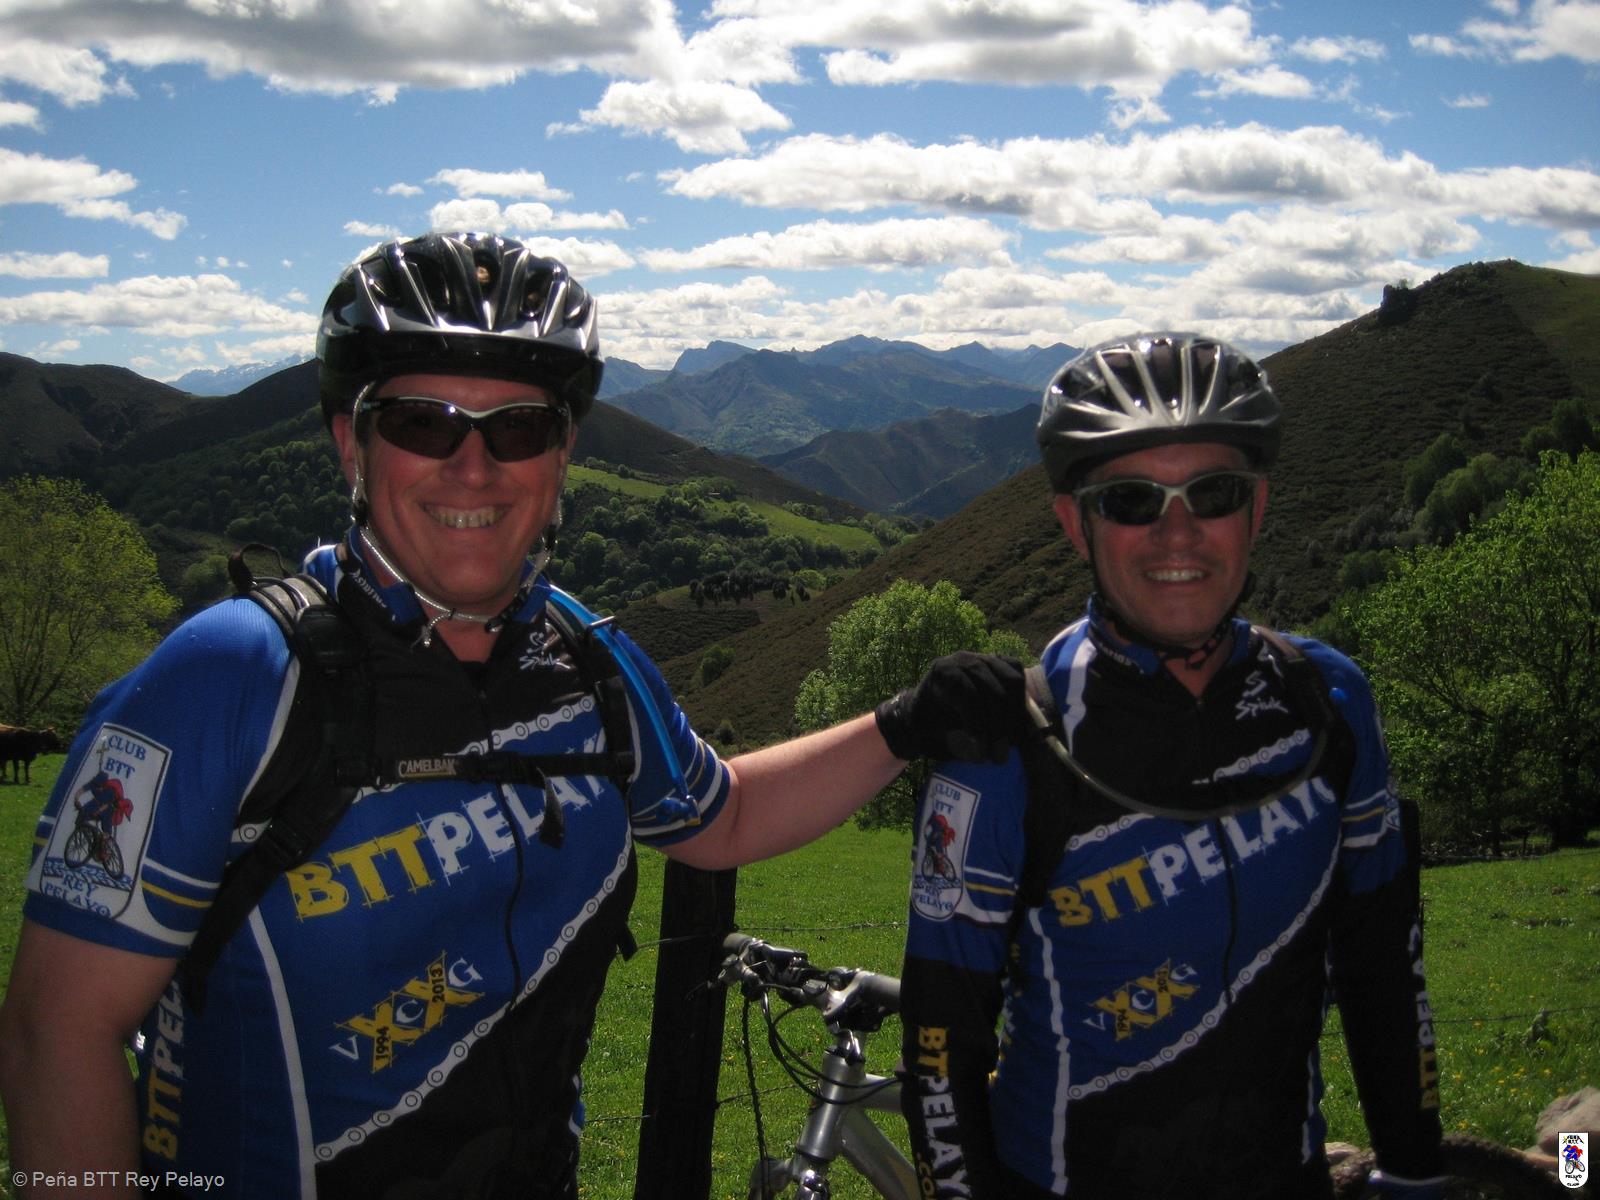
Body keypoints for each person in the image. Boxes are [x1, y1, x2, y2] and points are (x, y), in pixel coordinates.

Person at [0, 232, 1023, 1200]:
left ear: (561, 454)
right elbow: (58, 1036)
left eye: (519, 428)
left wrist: (902, 725)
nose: (474, 467)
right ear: (351, 444)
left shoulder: (586, 660)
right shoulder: (228, 679)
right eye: (422, 423)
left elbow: (727, 816)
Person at [889, 333, 1444, 1199]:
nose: (1176, 533)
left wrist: (1413, 1169)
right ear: (1074, 525)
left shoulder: (1331, 702)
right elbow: (938, 1045)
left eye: (1213, 494)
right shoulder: (1009, 744)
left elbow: (1385, 965)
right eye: (1131, 500)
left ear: (1257, 508)